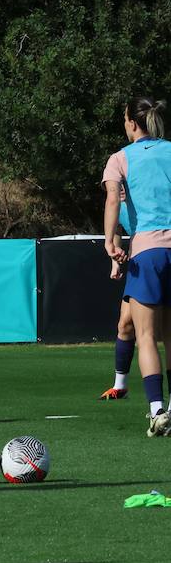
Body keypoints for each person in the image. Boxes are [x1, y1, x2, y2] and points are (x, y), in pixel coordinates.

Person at [103, 98, 171, 434]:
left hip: (149, 253)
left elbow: (113, 199)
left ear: (131, 123)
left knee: (146, 335)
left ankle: (157, 410)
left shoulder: (120, 159)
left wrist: (109, 241)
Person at [100, 196, 136, 400]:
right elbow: (115, 231)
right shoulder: (114, 204)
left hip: (159, 257)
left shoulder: (148, 194)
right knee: (125, 324)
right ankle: (120, 386)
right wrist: (115, 261)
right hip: (141, 264)